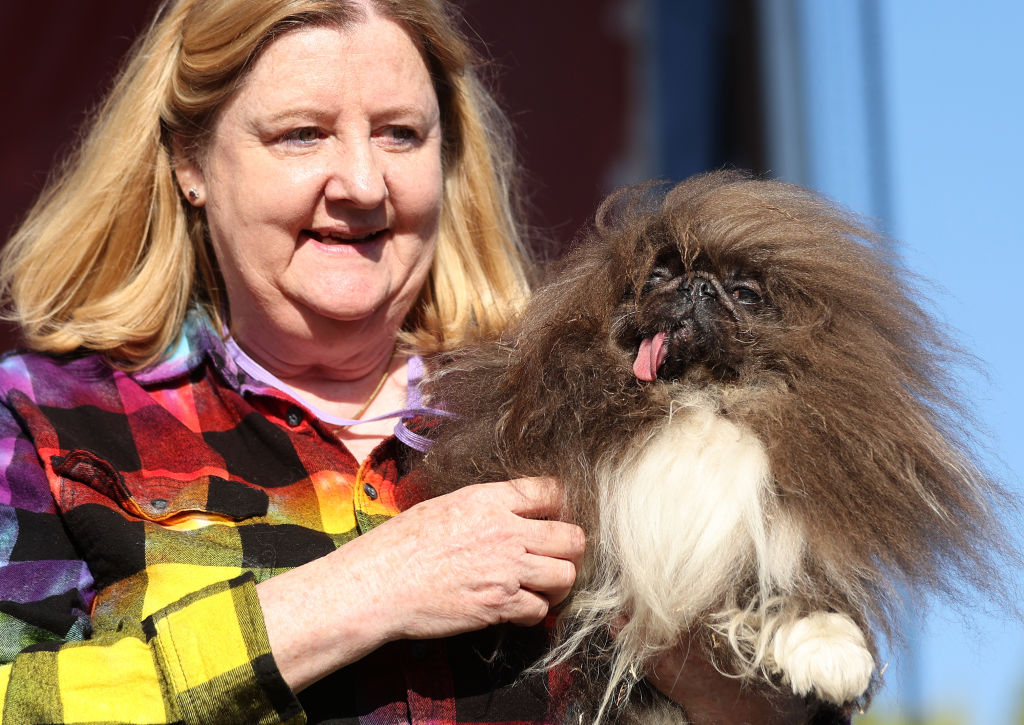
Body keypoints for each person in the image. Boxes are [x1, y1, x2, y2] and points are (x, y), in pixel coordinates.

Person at [0, 0, 820, 722]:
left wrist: (667, 626)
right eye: (301, 134)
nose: (362, 182)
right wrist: (371, 588)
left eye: (400, 134)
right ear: (191, 163)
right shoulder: (44, 425)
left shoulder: (581, 411)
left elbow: (790, 706)